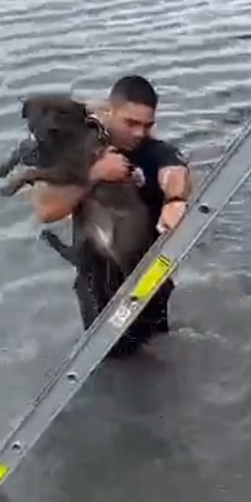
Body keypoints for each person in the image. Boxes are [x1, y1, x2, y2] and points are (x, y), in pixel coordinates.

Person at [29, 75, 192, 357]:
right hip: (99, 279)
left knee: (157, 346)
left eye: (147, 125)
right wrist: (95, 175)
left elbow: (176, 172)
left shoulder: (155, 150)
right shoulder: (79, 153)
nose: (139, 133)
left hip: (151, 273)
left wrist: (175, 200)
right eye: (131, 123)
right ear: (109, 112)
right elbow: (46, 209)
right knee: (109, 357)